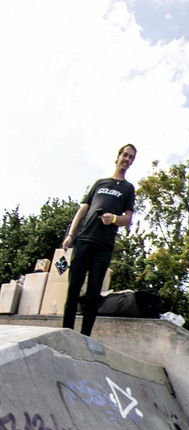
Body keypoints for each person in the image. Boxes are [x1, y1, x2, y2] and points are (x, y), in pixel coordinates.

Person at [60, 144, 137, 337]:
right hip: (84, 241)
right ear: (118, 156)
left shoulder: (128, 189)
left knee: (93, 295)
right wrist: (71, 234)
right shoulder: (100, 183)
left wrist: (113, 219)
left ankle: (85, 336)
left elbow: (127, 219)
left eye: (131, 158)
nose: (126, 159)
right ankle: (66, 333)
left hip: (103, 247)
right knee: (73, 291)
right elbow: (83, 210)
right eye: (125, 155)